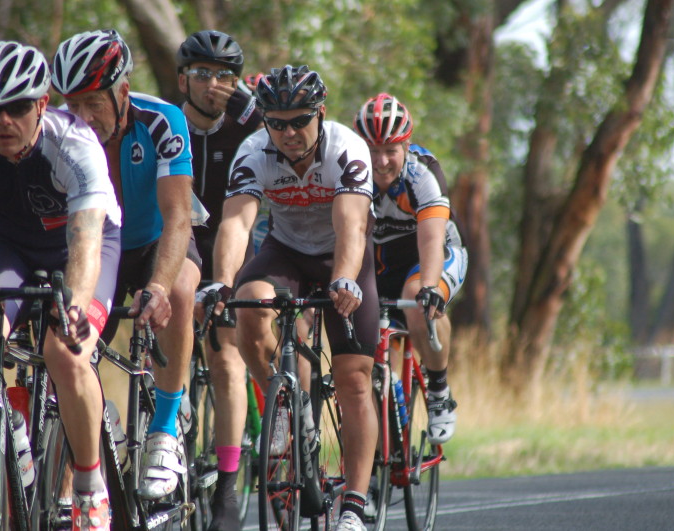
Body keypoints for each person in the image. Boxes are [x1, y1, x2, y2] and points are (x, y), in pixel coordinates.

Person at [0, 41, 122, 531]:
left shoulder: (74, 143)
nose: (4, 121)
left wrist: (74, 306)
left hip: (82, 246)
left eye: (17, 107)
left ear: (43, 104)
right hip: (8, 242)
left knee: (65, 352)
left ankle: (90, 488)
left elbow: (86, 242)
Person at [204, 64, 379, 531]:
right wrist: (221, 282)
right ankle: (288, 404)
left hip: (343, 255)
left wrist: (345, 279)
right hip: (287, 251)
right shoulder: (253, 152)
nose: (288, 133)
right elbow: (237, 223)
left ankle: (354, 505)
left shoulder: (347, 149)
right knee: (249, 306)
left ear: (320, 113)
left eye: (299, 121)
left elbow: (351, 226)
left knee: (354, 379)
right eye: (277, 123)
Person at [52, 29, 200, 501]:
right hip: (99, 246)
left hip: (158, 240)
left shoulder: (163, 120)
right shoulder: (57, 130)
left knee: (180, 290)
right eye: (72, 104)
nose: (82, 117)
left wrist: (159, 286)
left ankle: (165, 427)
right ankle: (97, 422)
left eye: (94, 103)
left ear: (123, 92)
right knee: (67, 335)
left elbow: (178, 218)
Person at [175, 29, 263, 529]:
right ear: (182, 79)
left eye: (226, 76)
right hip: (178, 246)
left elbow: (292, 145)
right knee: (165, 347)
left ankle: (228, 488)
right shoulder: (168, 125)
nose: (214, 85)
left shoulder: (249, 129)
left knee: (227, 360)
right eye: (202, 73)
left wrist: (253, 110)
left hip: (233, 248)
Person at [353, 92, 466, 444]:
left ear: (406, 145)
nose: (381, 161)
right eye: (372, 150)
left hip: (434, 255)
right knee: (371, 360)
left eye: (391, 150)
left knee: (418, 299)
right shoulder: (349, 173)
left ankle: (439, 391)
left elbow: (431, 241)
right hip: (381, 264)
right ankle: (382, 452)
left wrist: (430, 287)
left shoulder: (422, 173)